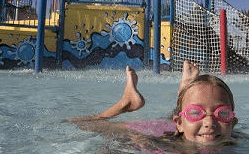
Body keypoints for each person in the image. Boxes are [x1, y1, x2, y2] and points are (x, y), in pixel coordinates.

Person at [68, 61, 239, 149]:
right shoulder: (165, 145)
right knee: (84, 123)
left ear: (232, 123)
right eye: (196, 112)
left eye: (222, 113)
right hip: (159, 132)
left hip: (181, 125)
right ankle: (126, 102)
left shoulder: (236, 140)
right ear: (178, 124)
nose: (210, 122)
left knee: (186, 114)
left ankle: (186, 90)